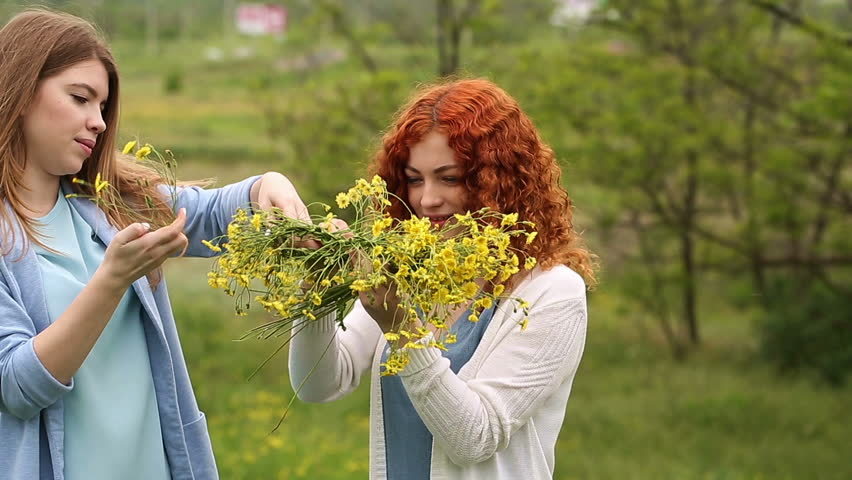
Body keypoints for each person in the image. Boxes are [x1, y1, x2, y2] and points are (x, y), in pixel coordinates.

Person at [0, 9, 309, 479]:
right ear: (21, 92)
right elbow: (18, 386)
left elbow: (210, 214)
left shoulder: (102, 202)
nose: (99, 122)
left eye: (102, 107)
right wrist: (112, 280)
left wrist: (267, 184)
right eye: (80, 99)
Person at [288, 78, 597, 479]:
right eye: (415, 179)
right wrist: (317, 293)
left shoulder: (552, 292)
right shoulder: (410, 267)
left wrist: (403, 330)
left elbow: (475, 437)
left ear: (500, 181)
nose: (427, 199)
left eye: (449, 178)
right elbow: (318, 385)